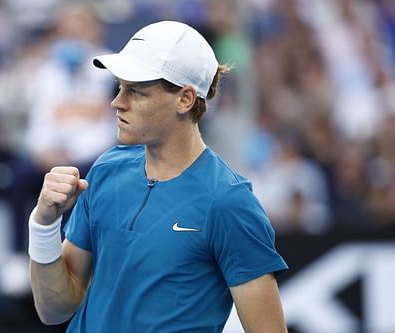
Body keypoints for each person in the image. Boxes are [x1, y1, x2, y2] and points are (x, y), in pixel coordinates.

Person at [28, 21, 289, 333]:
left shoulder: (229, 202)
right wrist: (43, 224)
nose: (117, 102)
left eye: (136, 91)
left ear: (185, 99)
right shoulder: (105, 170)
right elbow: (54, 309)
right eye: (119, 87)